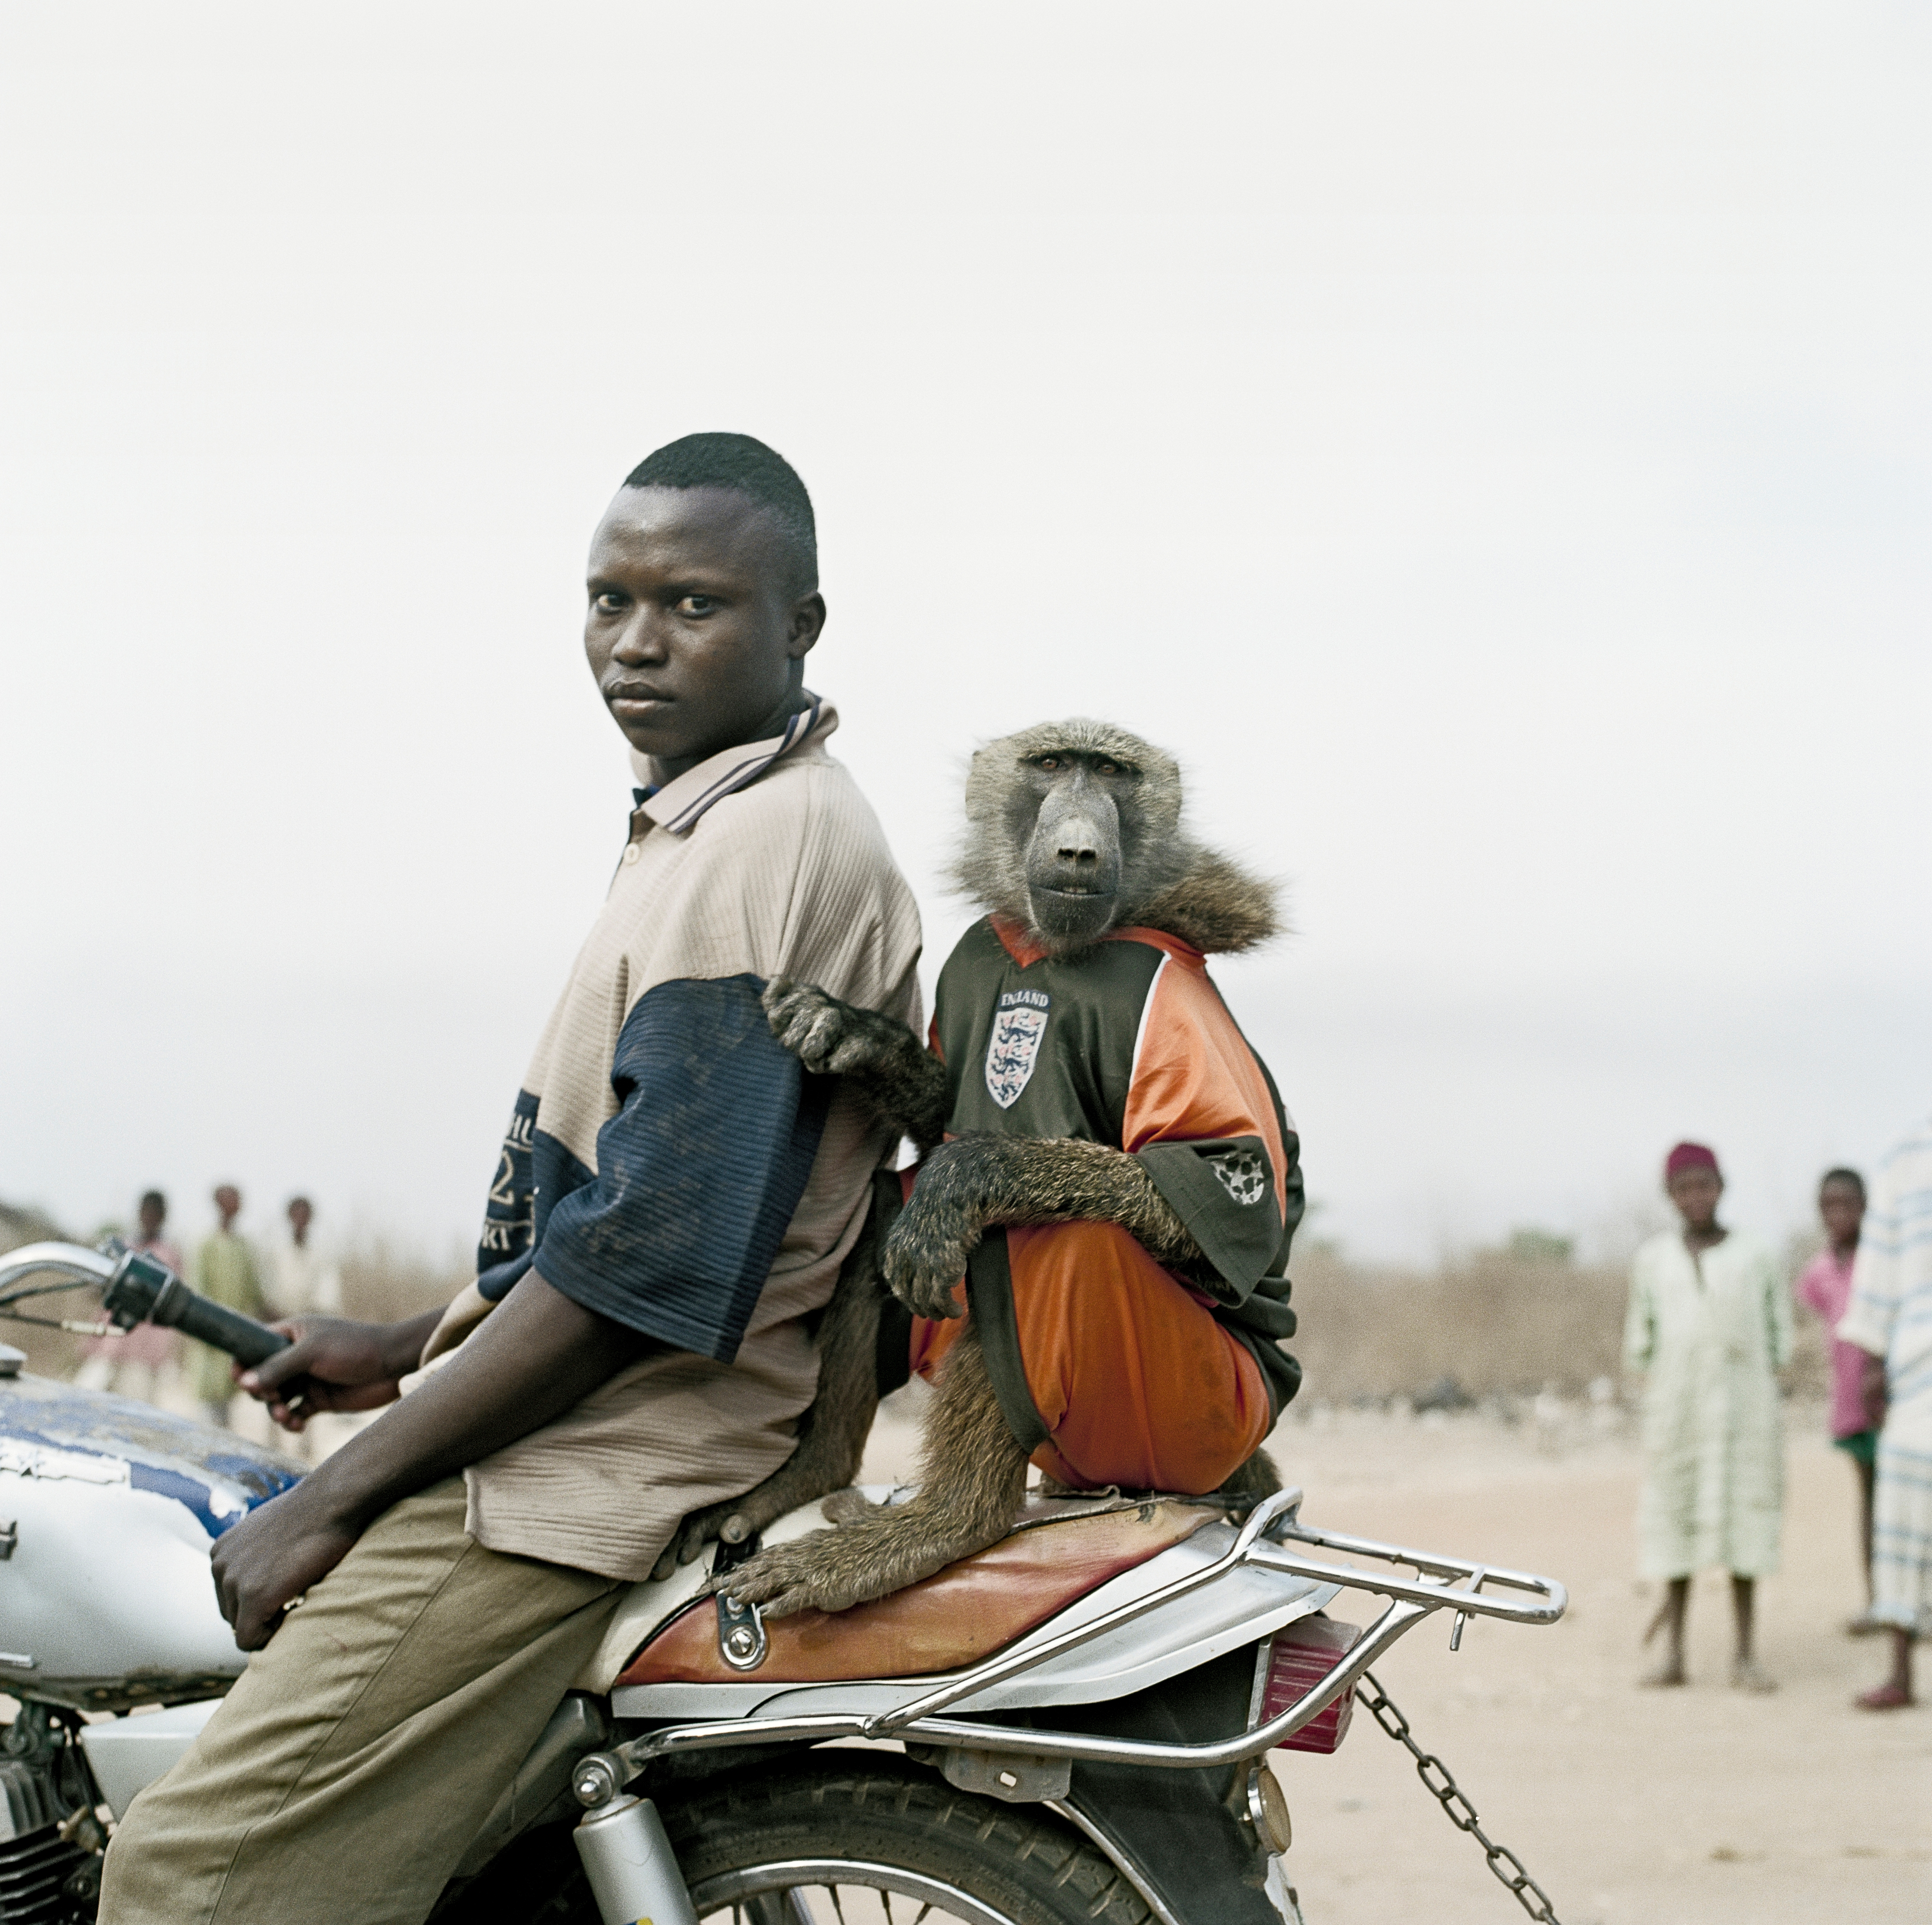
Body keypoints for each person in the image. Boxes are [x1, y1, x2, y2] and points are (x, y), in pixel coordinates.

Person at [99, 434, 923, 1925]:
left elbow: (649, 1268)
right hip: (611, 1433)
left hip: (581, 1475)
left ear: (802, 621)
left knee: (180, 1874)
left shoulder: (762, 842)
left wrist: (334, 1496)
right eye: (608, 598)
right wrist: (406, 1338)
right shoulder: (716, 818)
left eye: (693, 603)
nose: (635, 640)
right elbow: (648, 1207)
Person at [1624, 1140, 1791, 1691]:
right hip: (1678, 1414)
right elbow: (1639, 1343)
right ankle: (1673, 1656)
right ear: (1670, 1195)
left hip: (1745, 1412)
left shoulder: (1757, 1253)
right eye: (1684, 1187)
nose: (1696, 1196)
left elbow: (1779, 1337)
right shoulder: (1653, 1259)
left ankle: (1745, 1654)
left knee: (1745, 1524)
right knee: (1674, 1525)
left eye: (1705, 1184)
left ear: (1722, 1187)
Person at [1837, 1118, 1932, 1710]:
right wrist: (1872, 1358)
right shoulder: (1906, 1154)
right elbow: (1879, 1261)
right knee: (1900, 1510)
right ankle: (1900, 1669)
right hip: (1918, 1360)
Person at [1794, 1167, 1879, 1631]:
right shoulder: (1820, 1272)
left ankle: (1915, 1603)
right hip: (1851, 1404)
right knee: (1869, 1501)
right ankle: (1880, 1602)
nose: (1840, 1213)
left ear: (1866, 1206)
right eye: (1830, 1205)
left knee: (1907, 1504)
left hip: (1895, 1401)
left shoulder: (1882, 1260)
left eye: (1849, 1203)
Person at [74, 1189, 181, 1405]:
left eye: (155, 1214)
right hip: (110, 1342)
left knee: (135, 1409)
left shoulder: (168, 1256)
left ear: (163, 1218)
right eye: (146, 1213)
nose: (149, 1218)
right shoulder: (125, 1248)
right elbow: (99, 1289)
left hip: (143, 1351)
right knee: (86, 1399)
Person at [186, 1184, 267, 1428]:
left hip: (235, 1339)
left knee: (227, 1408)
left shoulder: (245, 1247)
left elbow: (255, 1294)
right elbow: (198, 1292)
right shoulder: (205, 1245)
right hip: (209, 1337)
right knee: (207, 1410)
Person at [265, 1196, 343, 1321]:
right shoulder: (277, 1251)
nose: (300, 1219)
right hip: (280, 1319)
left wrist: (317, 1316)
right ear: (290, 1217)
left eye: (304, 1215)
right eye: (296, 1215)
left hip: (311, 1321)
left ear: (310, 1218)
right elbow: (269, 1287)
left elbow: (327, 1292)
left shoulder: (321, 1253)